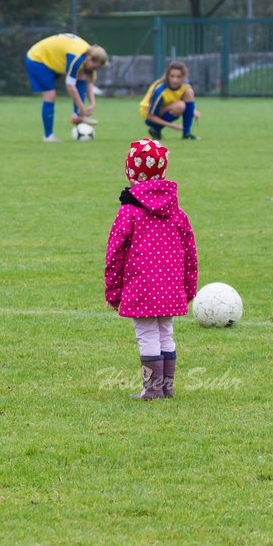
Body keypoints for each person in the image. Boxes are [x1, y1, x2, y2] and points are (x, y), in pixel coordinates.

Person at [105, 138, 198, 400]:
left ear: (130, 173)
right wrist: (188, 288)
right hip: (170, 288)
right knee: (165, 332)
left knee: (146, 333)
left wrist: (113, 291)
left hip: (141, 288)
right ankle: (166, 388)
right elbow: (190, 253)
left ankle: (152, 390)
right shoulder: (177, 212)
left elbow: (115, 254)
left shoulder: (129, 212)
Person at [24, 34, 108, 141]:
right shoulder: (76, 58)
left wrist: (92, 103)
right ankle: (48, 136)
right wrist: (82, 109)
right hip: (37, 59)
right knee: (50, 96)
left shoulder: (88, 53)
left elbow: (88, 80)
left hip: (51, 60)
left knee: (82, 75)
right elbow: (70, 86)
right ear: (89, 59)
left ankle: (77, 115)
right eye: (95, 67)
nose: (94, 70)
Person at [138, 60, 200, 140]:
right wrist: (172, 126)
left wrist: (193, 110)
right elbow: (150, 116)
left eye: (178, 77)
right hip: (148, 114)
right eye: (172, 76)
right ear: (168, 76)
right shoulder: (159, 91)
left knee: (189, 92)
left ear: (183, 77)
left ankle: (186, 134)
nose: (175, 80)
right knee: (180, 106)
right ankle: (155, 129)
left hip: (167, 106)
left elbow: (182, 98)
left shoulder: (185, 85)